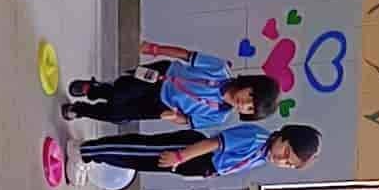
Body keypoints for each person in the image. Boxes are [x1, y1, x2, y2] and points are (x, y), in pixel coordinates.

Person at [62, 40, 278, 128]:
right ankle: (93, 89)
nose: (244, 103)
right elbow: (186, 55)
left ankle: (79, 110)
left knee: (119, 115)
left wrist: (173, 117)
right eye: (250, 97)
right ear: (250, 84)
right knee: (119, 91)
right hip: (161, 76)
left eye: (249, 109)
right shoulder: (220, 69)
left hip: (163, 106)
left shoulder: (219, 116)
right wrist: (155, 49)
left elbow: (189, 121)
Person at [65, 123, 321, 185]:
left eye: (288, 164)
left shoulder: (263, 155)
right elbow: (214, 144)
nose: (281, 160)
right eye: (286, 152)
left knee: (137, 161)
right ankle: (85, 151)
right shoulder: (257, 138)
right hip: (193, 151)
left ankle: (91, 154)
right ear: (284, 135)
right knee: (138, 150)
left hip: (197, 164)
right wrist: (180, 156)